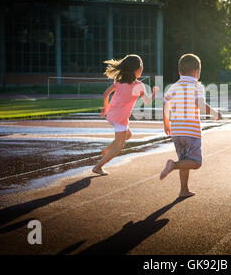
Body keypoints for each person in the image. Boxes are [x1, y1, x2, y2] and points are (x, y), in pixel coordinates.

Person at [160, 53, 222, 198]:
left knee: (185, 161)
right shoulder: (196, 85)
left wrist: (166, 122)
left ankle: (183, 190)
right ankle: (173, 165)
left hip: (176, 131)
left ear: (180, 72)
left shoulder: (174, 86)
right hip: (191, 132)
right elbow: (199, 103)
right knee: (195, 162)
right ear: (196, 72)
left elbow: (165, 103)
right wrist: (214, 113)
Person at [93, 54, 158, 175]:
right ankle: (98, 166)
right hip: (120, 118)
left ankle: (106, 151)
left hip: (112, 114)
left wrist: (106, 108)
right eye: (141, 67)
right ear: (136, 70)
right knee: (119, 146)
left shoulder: (119, 81)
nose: (142, 69)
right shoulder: (139, 85)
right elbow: (148, 101)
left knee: (128, 134)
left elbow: (106, 93)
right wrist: (154, 93)